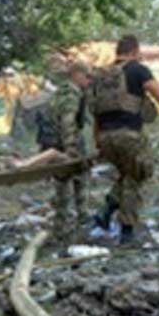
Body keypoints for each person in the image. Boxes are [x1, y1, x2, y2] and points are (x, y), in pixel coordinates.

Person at [89, 35, 159, 245]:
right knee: (139, 174)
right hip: (129, 135)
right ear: (134, 51)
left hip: (106, 137)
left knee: (127, 174)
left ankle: (105, 214)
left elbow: (96, 112)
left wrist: (97, 140)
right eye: (139, 52)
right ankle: (126, 230)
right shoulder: (137, 69)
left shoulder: (102, 76)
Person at [39, 62, 91, 245]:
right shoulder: (71, 92)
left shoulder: (60, 92)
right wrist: (71, 149)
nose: (88, 81)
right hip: (65, 145)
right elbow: (68, 121)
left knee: (62, 189)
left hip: (53, 144)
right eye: (87, 76)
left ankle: (62, 231)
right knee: (76, 187)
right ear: (77, 74)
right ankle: (77, 230)